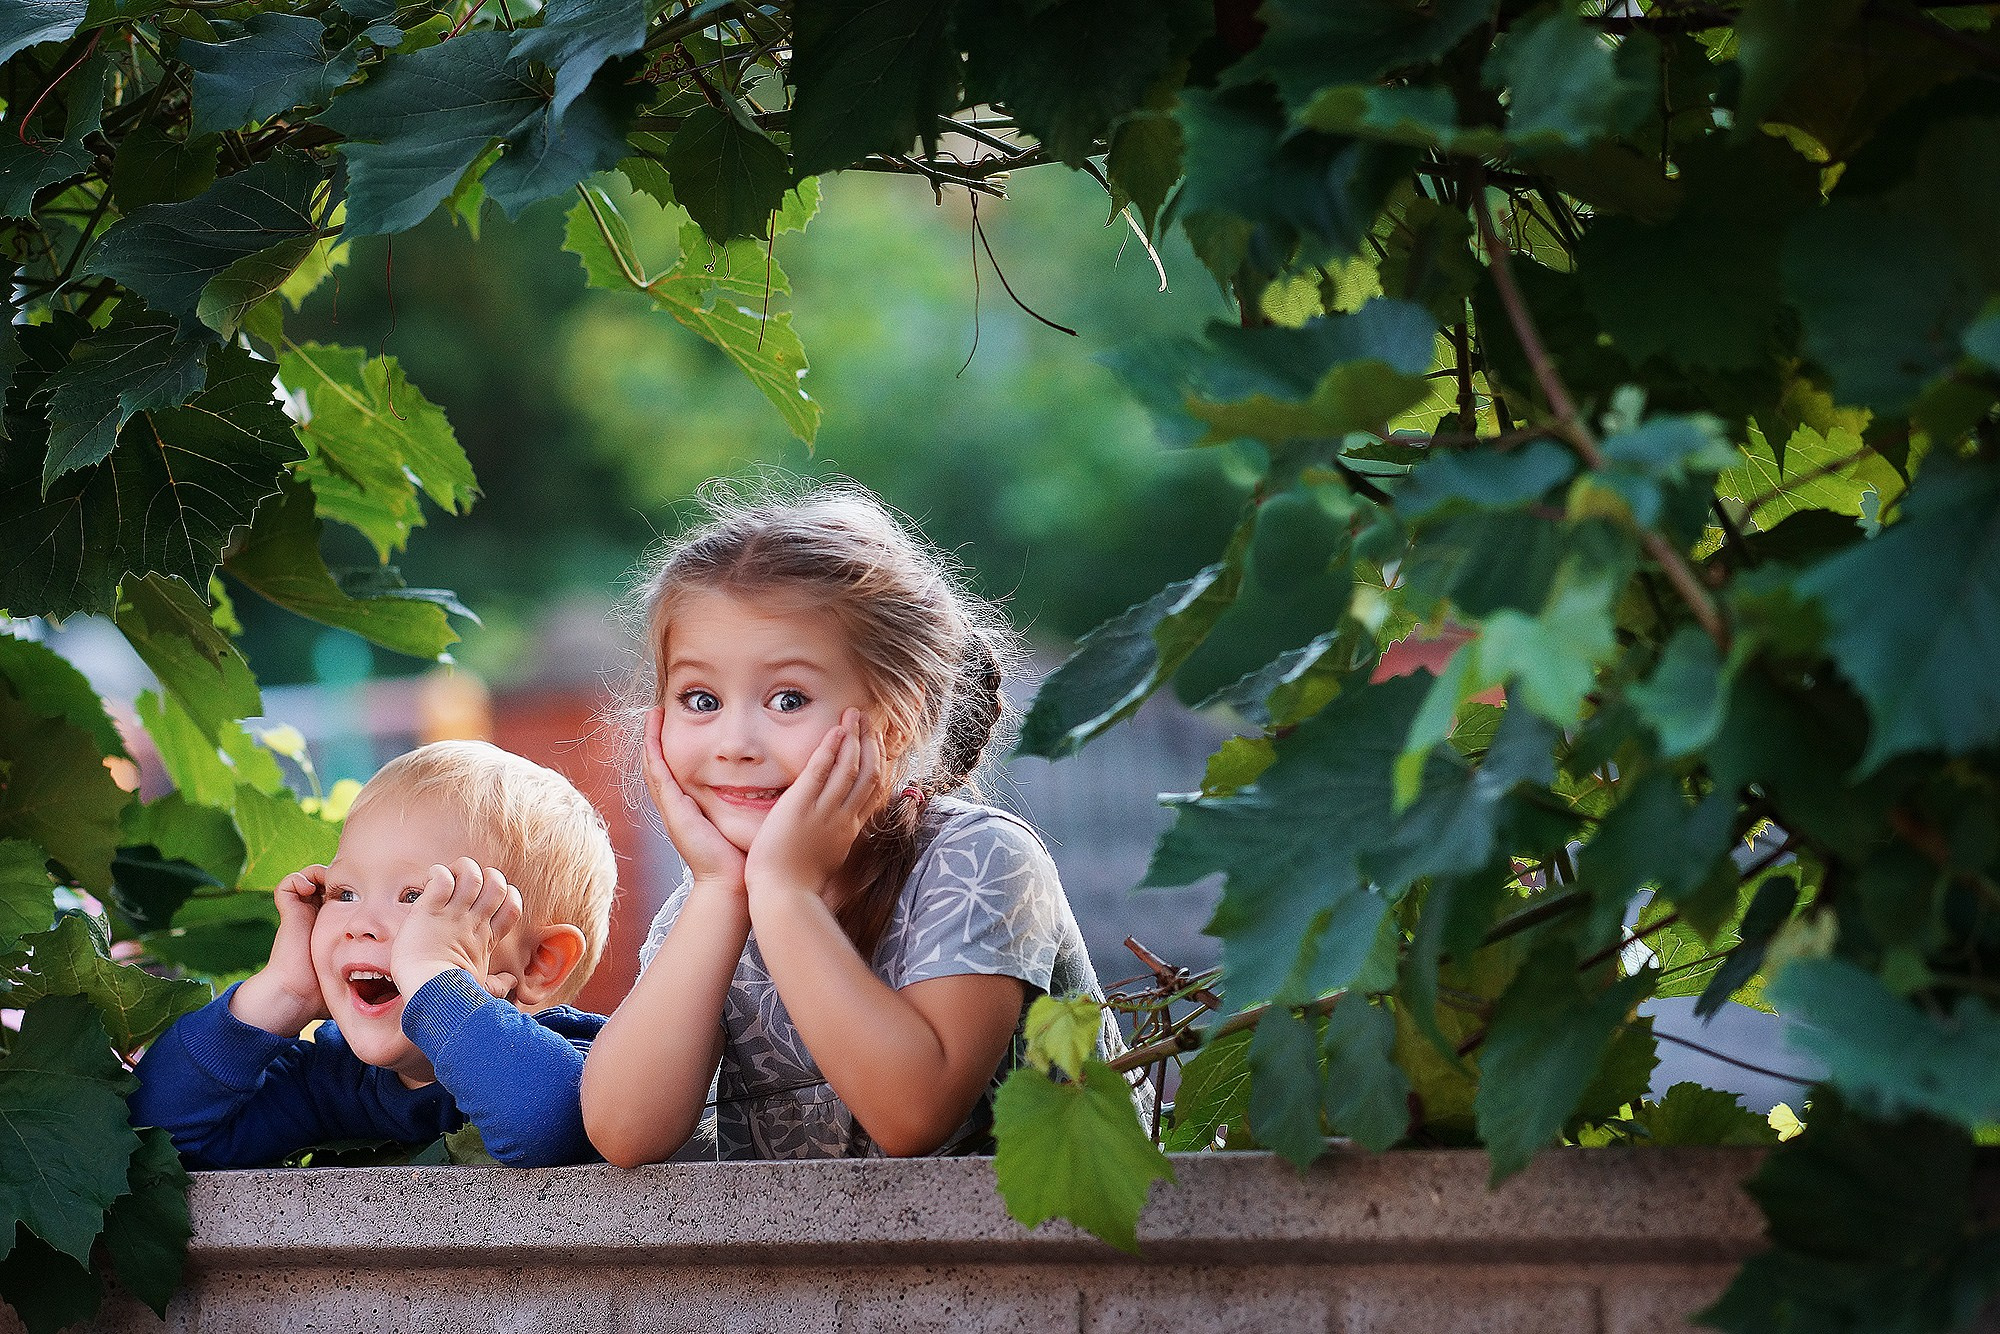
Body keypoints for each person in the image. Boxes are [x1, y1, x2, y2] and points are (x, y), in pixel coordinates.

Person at [581, 484, 1125, 1164]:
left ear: (894, 722)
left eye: (788, 698)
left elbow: (913, 1116)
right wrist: (722, 893)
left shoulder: (981, 860)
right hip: (823, 1272)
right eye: (700, 698)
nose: (735, 743)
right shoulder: (702, 914)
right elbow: (624, 1134)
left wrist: (784, 895)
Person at [131, 740, 619, 1169]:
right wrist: (282, 993)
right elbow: (164, 1133)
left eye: (416, 897)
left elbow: (549, 1130)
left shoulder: (575, 1058)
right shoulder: (337, 1080)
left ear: (539, 963)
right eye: (344, 893)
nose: (362, 925)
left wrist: (436, 982)